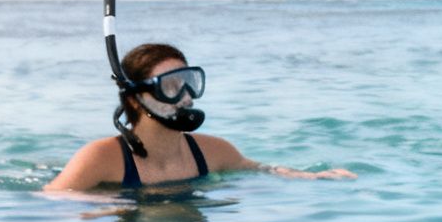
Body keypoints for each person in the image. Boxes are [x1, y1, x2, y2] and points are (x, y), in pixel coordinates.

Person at [45, 43, 354, 192]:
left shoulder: (215, 151)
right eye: (170, 87)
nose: (185, 97)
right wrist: (108, 205)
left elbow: (261, 168)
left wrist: (311, 177)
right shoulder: (100, 158)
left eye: (188, 83)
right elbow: (52, 201)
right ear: (135, 101)